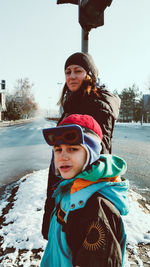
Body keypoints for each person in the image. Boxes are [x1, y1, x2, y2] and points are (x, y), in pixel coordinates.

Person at [42, 52, 121, 240]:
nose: (71, 76)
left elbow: (98, 155)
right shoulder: (73, 104)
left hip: (81, 193)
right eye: (67, 72)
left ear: (90, 76)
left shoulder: (97, 105)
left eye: (78, 71)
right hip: (68, 187)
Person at [41, 114, 129, 267]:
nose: (63, 156)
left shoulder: (96, 208)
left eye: (73, 149)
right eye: (58, 149)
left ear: (91, 155)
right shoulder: (69, 187)